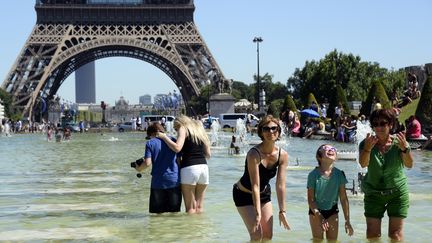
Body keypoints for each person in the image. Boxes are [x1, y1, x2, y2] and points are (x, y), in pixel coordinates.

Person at [232, 115, 290, 241]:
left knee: (268, 235)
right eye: (266, 129)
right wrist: (258, 213)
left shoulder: (283, 155)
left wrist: (282, 211)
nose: (271, 132)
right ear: (261, 132)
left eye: (274, 128)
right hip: (243, 194)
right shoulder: (254, 154)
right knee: (257, 235)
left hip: (263, 193)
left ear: (279, 131)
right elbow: (255, 185)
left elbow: (280, 185)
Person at [359, 108, 413, 241]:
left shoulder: (399, 142)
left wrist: (404, 148)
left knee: (395, 235)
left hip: (397, 193)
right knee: (372, 234)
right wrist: (367, 149)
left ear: (390, 124)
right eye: (375, 124)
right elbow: (363, 164)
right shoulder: (366, 143)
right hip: (373, 193)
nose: (379, 127)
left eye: (383, 123)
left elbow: (409, 164)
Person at [157, 115, 211, 214]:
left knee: (190, 208)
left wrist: (164, 137)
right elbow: (208, 154)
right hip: (204, 168)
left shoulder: (183, 128)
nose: (176, 130)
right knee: (199, 207)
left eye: (176, 128)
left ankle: (190, 229)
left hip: (189, 168)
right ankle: (200, 228)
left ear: (180, 123)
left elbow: (177, 147)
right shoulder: (199, 129)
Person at [307, 144, 354, 241]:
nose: (331, 149)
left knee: (333, 240)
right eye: (326, 148)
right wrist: (320, 217)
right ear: (319, 157)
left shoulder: (339, 174)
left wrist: (347, 221)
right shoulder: (313, 175)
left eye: (333, 149)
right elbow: (311, 200)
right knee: (317, 240)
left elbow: (344, 199)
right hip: (316, 211)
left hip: (332, 211)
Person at [135, 122, 182, 214]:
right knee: (174, 214)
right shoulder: (173, 140)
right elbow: (179, 161)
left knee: (157, 215)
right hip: (174, 180)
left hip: (158, 182)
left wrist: (138, 169)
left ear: (152, 133)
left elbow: (147, 163)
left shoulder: (150, 143)